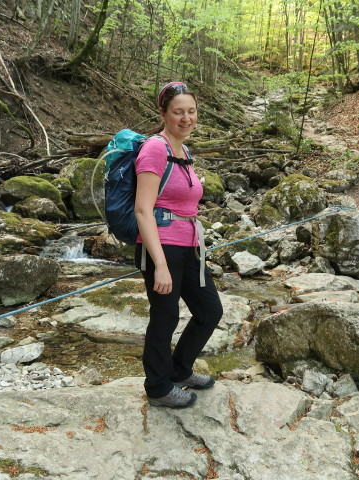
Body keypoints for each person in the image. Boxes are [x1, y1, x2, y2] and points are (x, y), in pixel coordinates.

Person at [134, 82, 223, 408]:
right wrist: (159, 264)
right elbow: (143, 209)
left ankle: (178, 369)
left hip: (189, 244)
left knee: (210, 310)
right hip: (160, 245)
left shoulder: (183, 150)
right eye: (178, 112)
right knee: (165, 316)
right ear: (163, 113)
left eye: (191, 111)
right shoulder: (155, 149)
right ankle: (157, 387)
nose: (186, 118)